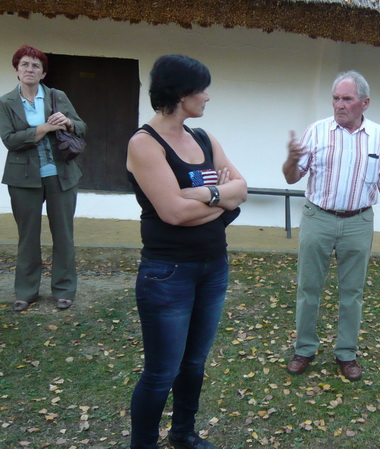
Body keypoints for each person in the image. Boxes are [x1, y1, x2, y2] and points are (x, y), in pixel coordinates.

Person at [126, 54, 247, 449]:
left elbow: (242, 189)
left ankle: (183, 434)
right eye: (202, 89)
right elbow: (174, 213)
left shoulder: (203, 139)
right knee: (162, 372)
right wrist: (222, 200)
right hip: (168, 273)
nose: (207, 97)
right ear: (181, 93)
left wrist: (205, 194)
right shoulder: (145, 143)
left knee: (194, 363)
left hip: (213, 267)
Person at [283, 70, 380, 381]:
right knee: (308, 287)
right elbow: (292, 177)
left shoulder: (379, 136)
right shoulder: (316, 131)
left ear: (365, 103)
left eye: (347, 99)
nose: (339, 105)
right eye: (336, 98)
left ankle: (346, 353)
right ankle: (304, 349)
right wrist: (291, 159)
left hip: (359, 222)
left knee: (352, 291)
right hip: (318, 218)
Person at [0, 45, 87, 312]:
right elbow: (10, 140)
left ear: (43, 73)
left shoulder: (57, 96)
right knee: (27, 236)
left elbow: (81, 127)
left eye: (36, 66)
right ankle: (26, 292)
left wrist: (68, 122)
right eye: (25, 64)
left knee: (64, 235)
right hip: (23, 178)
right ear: (17, 70)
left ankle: (64, 290)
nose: (30, 69)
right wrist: (44, 128)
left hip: (61, 175)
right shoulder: (5, 102)